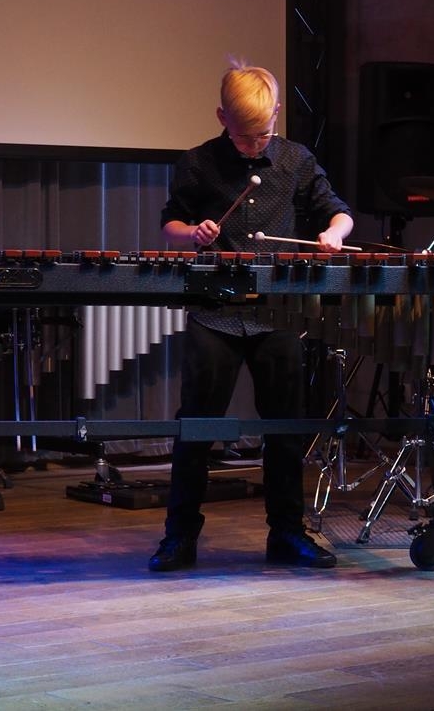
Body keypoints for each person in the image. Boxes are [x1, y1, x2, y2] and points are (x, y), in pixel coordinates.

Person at [149, 61, 355, 572]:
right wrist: (192, 232)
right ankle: (179, 536)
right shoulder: (198, 162)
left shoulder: (296, 160)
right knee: (196, 427)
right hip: (214, 312)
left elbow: (338, 210)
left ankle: (287, 532)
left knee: (285, 428)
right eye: (243, 137)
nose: (252, 146)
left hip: (277, 312)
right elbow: (170, 223)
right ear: (221, 117)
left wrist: (334, 233)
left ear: (277, 115)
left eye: (262, 135)